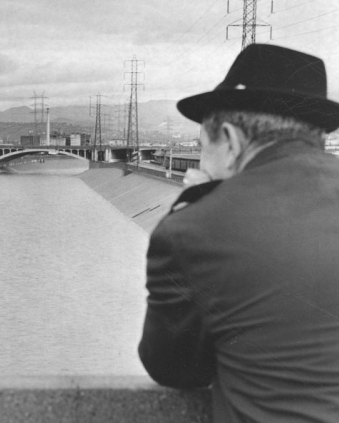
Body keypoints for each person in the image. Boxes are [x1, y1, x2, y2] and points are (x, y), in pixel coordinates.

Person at [138, 43, 339, 422]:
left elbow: (175, 369)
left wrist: (197, 203)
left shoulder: (193, 230)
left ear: (229, 140)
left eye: (202, 147)